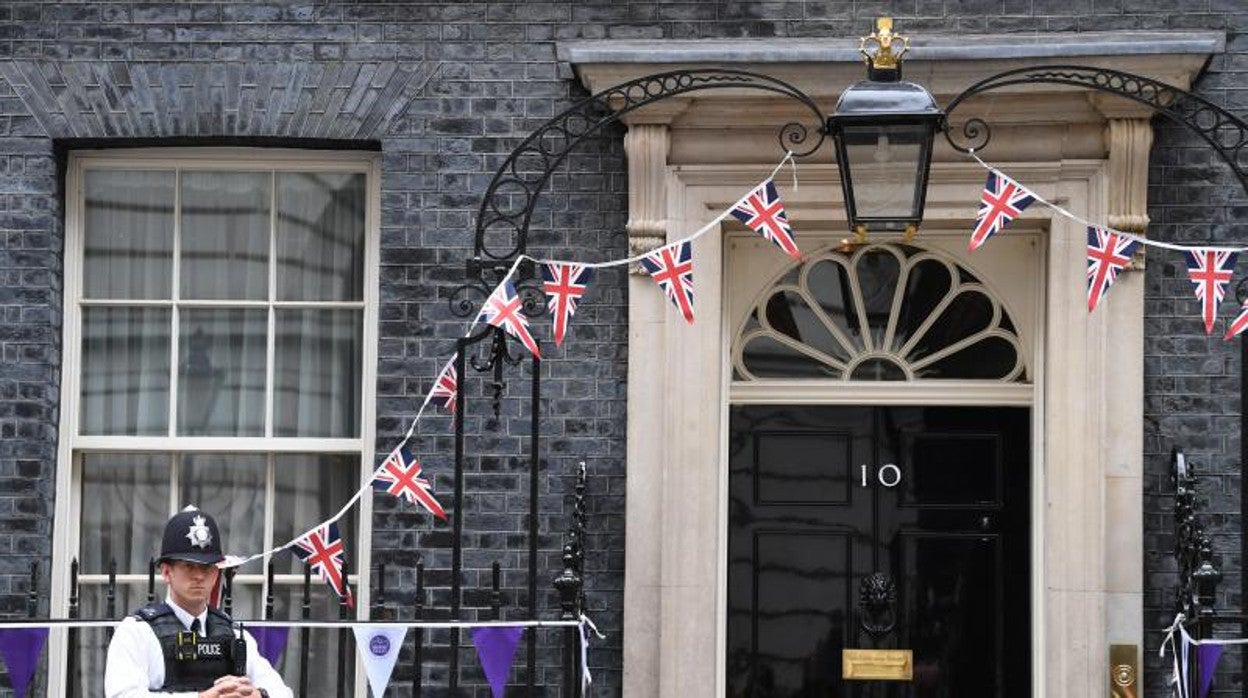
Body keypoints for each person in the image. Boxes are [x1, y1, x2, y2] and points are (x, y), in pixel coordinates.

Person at [105, 506, 292, 698]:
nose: (199, 576)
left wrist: (258, 695)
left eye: (207, 568)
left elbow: (284, 693)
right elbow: (122, 695)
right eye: (189, 566)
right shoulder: (137, 632)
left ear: (217, 573)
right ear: (166, 572)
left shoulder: (234, 634)